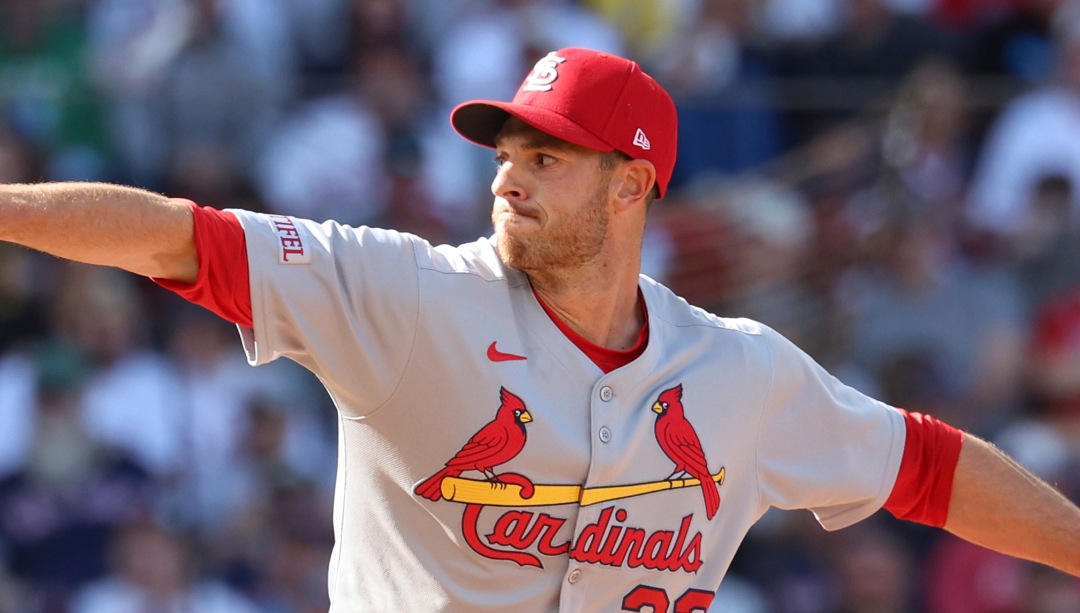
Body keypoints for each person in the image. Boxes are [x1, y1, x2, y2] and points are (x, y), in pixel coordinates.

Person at [0, 47, 1078, 611]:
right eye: (507, 154)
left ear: (633, 185)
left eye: (548, 158)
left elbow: (927, 467)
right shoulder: (405, 293)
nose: (509, 179)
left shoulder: (741, 374)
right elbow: (177, 239)